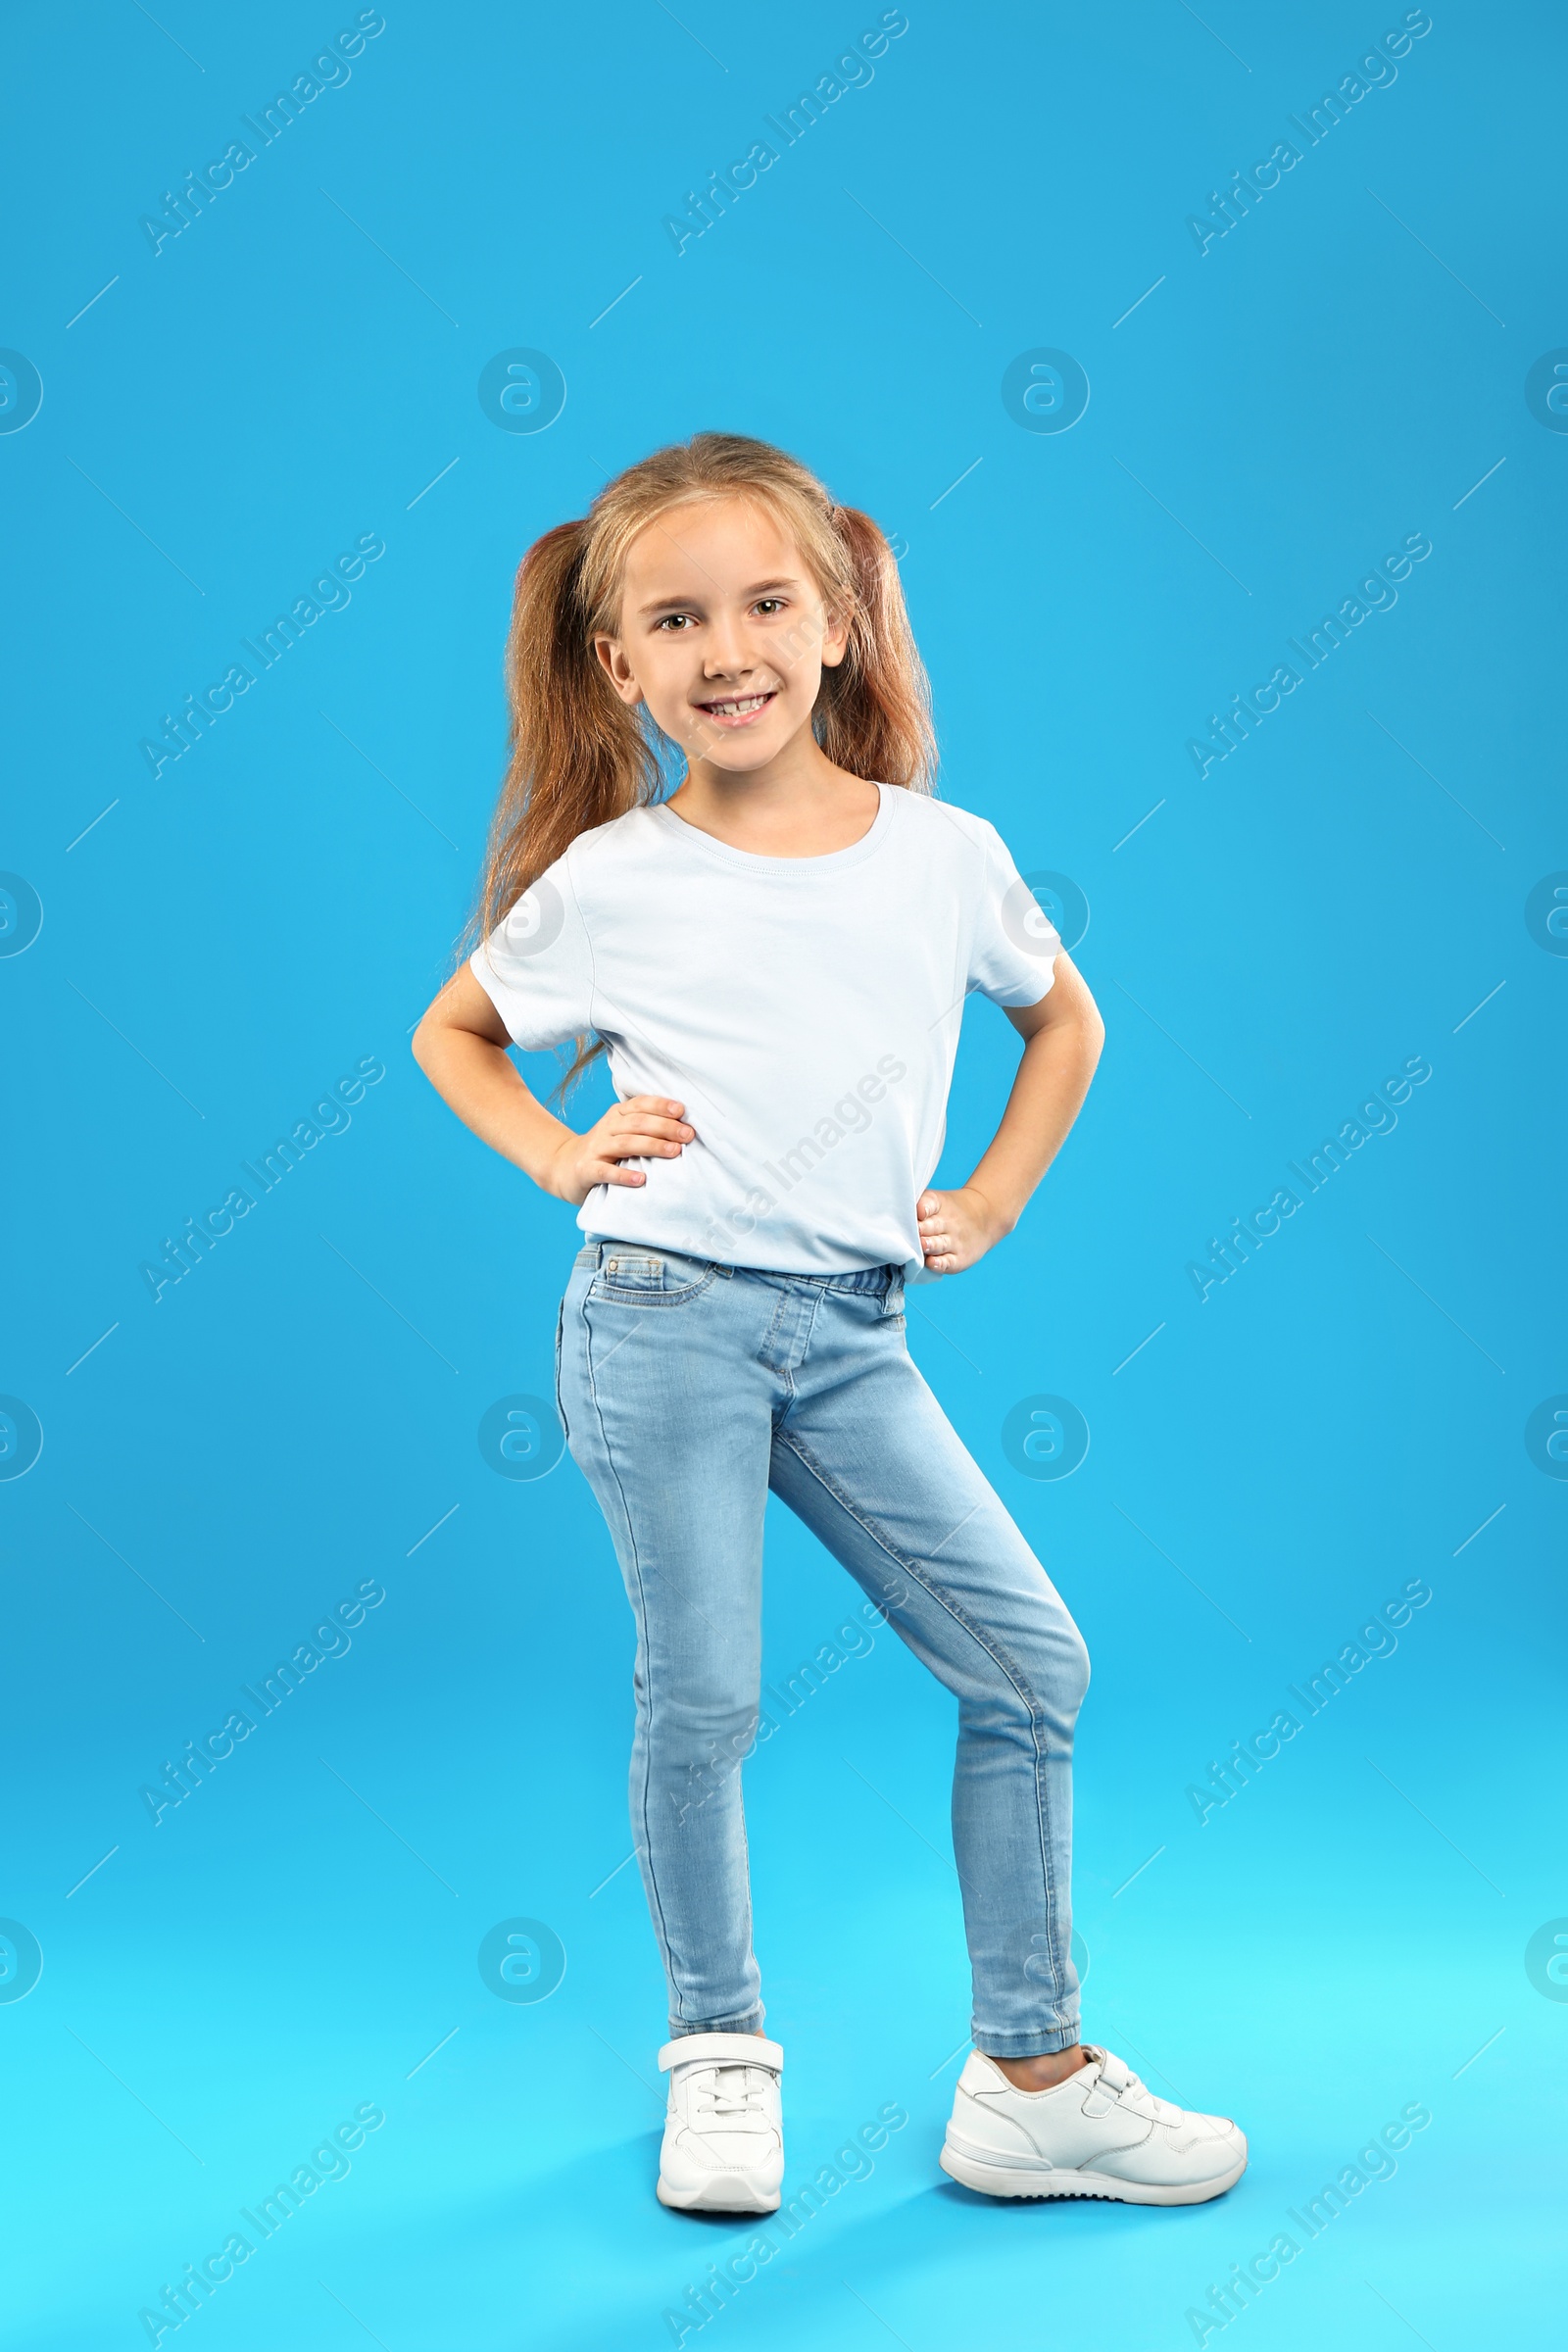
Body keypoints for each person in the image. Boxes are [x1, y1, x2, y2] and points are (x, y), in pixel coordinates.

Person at [414, 432, 1247, 2213]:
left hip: (852, 1333)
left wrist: (994, 1199)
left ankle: (1028, 2078)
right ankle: (718, 2053)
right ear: (617, 665)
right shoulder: (616, 877)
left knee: (1030, 1666)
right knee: (705, 1694)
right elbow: (452, 1035)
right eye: (677, 620)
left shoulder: (945, 856)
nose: (731, 650)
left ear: (846, 617)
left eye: (768, 602)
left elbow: (1067, 1023)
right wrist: (569, 1153)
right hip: (660, 1322)